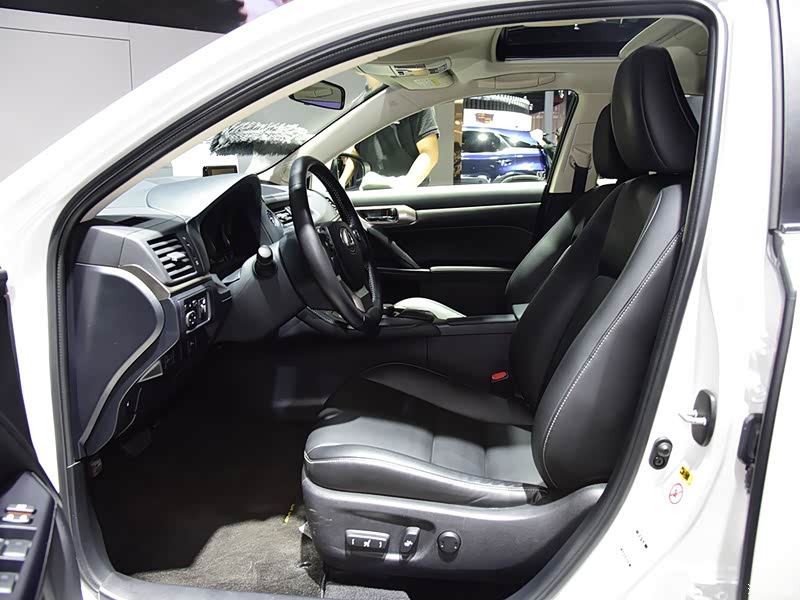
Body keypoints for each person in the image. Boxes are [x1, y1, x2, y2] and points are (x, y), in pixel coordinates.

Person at [340, 108, 440, 190]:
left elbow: (429, 152)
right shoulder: (363, 106)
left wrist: (407, 184)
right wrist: (342, 182)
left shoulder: (415, 100)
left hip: (409, 194)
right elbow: (356, 153)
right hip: (371, 192)